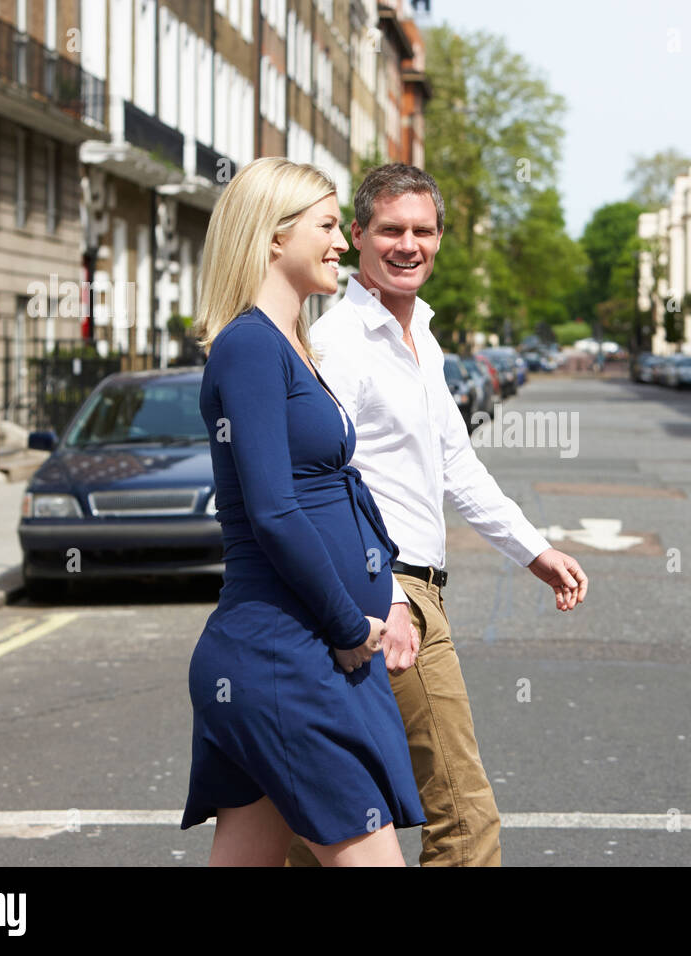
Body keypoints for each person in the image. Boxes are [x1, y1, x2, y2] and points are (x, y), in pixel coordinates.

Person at [285, 163, 589, 867]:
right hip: (387, 596)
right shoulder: (341, 344)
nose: (408, 244)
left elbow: (457, 466)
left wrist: (535, 553)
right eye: (390, 229)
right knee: (462, 810)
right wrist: (384, 594)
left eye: (423, 230)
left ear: (441, 238)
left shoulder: (422, 337)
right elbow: (317, 482)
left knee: (336, 816)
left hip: (405, 592)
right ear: (357, 235)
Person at [180, 157, 424, 866]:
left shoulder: (291, 345)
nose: (342, 243)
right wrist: (349, 625)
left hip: (293, 653)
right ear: (272, 237)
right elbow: (275, 512)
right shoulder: (251, 345)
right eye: (326, 225)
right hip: (286, 657)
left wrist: (387, 594)